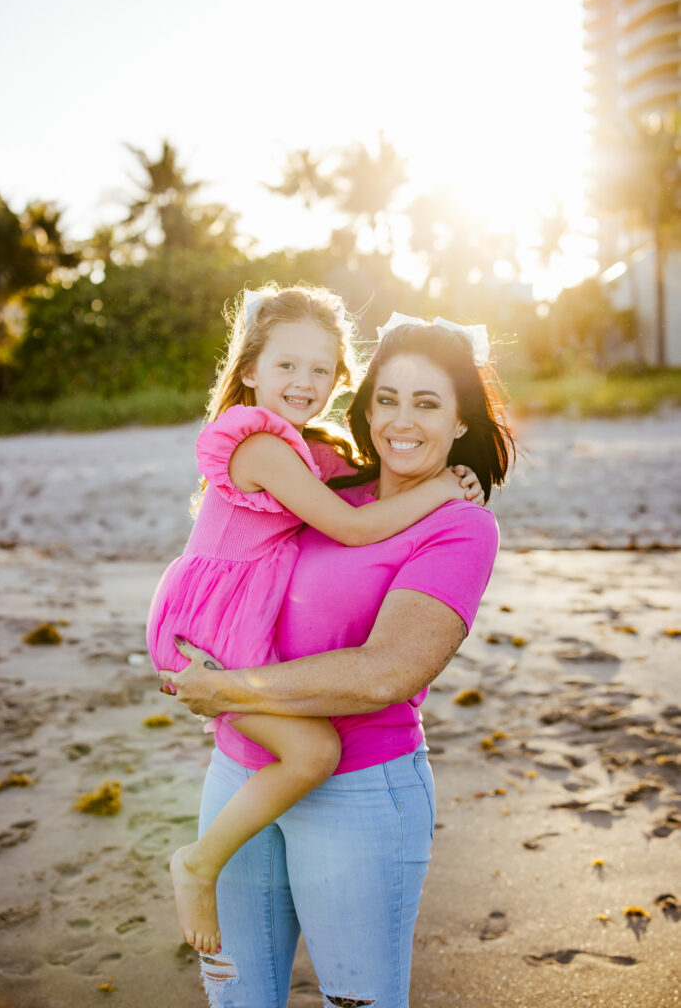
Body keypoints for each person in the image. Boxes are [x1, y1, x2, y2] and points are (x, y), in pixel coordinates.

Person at [158, 310, 515, 1008]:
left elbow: (386, 672)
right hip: (241, 768)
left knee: (356, 1004)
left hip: (357, 789)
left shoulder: (459, 524)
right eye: (386, 398)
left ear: (460, 422)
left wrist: (229, 688)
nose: (400, 421)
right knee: (236, 997)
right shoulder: (327, 486)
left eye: (426, 403)